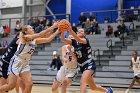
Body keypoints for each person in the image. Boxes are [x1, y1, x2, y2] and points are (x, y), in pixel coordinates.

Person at [0, 23, 59, 93]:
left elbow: (48, 39)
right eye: (30, 28)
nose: (32, 29)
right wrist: (53, 26)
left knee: (29, 84)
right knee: (11, 86)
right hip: (16, 62)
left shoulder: (34, 40)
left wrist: (58, 30)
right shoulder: (25, 37)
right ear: (26, 32)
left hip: (25, 63)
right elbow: (40, 34)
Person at [61, 25, 113, 93]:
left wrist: (70, 30)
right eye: (78, 31)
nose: (79, 31)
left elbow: (78, 39)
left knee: (82, 82)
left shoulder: (85, 40)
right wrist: (62, 31)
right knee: (93, 87)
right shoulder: (73, 42)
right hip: (82, 66)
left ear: (84, 34)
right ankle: (108, 91)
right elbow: (63, 39)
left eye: (81, 31)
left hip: (89, 64)